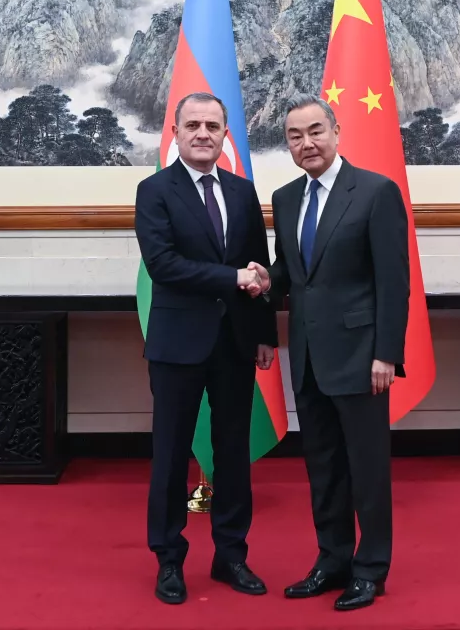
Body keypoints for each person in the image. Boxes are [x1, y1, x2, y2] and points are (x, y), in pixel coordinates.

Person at [247, 94, 409, 611]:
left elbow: (394, 281)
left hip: (363, 357)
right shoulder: (286, 198)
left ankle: (371, 568)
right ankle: (332, 560)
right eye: (294, 136)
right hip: (309, 358)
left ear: (336, 131)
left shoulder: (376, 192)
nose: (306, 143)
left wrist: (386, 353)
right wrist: (264, 280)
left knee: (367, 469)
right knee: (323, 468)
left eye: (315, 131)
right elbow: (293, 274)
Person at [133, 91, 278, 605]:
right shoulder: (154, 190)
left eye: (212, 126)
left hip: (236, 342)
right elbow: (163, 265)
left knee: (232, 453)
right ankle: (169, 559)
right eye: (192, 125)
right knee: (171, 454)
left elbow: (259, 266)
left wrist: (265, 332)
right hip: (178, 344)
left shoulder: (242, 192)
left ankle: (231, 555)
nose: (202, 133)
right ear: (175, 133)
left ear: (224, 135)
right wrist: (232, 277)